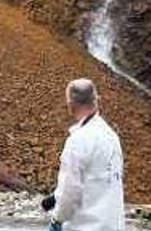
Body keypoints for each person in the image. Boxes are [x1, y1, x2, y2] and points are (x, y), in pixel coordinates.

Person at [39, 79, 125, 231]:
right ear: (96, 100)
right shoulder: (111, 137)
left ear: (70, 104)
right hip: (113, 224)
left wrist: (57, 219)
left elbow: (70, 190)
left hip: (85, 226)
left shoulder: (78, 141)